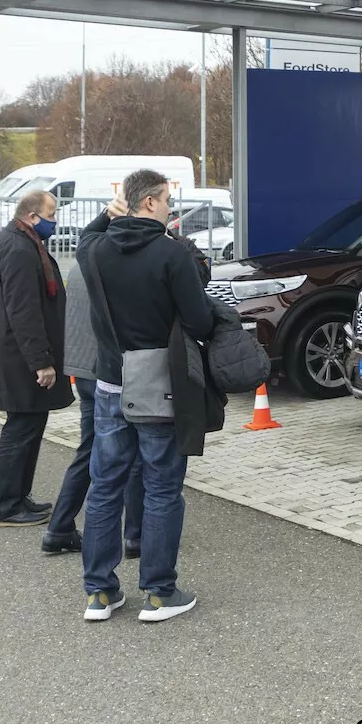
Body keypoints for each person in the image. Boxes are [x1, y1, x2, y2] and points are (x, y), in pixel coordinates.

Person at [75, 168, 221, 623]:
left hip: (110, 382)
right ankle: (159, 592)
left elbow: (86, 236)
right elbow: (199, 321)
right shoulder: (170, 253)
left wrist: (106, 213)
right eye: (167, 200)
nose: (171, 208)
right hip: (158, 382)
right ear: (152, 203)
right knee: (161, 487)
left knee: (105, 485)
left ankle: (100, 593)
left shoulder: (94, 250)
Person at [42, 192, 144, 557]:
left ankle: (60, 526)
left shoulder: (82, 260)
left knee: (90, 450)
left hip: (83, 370)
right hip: (109, 371)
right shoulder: (113, 265)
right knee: (128, 454)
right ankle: (135, 534)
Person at [0, 189, 73, 527]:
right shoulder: (19, 249)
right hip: (19, 359)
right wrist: (41, 361)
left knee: (29, 426)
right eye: (51, 214)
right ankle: (5, 505)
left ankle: (18, 496)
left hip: (14, 355)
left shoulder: (14, 242)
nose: (55, 221)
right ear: (32, 217)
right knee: (21, 428)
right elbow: (23, 311)